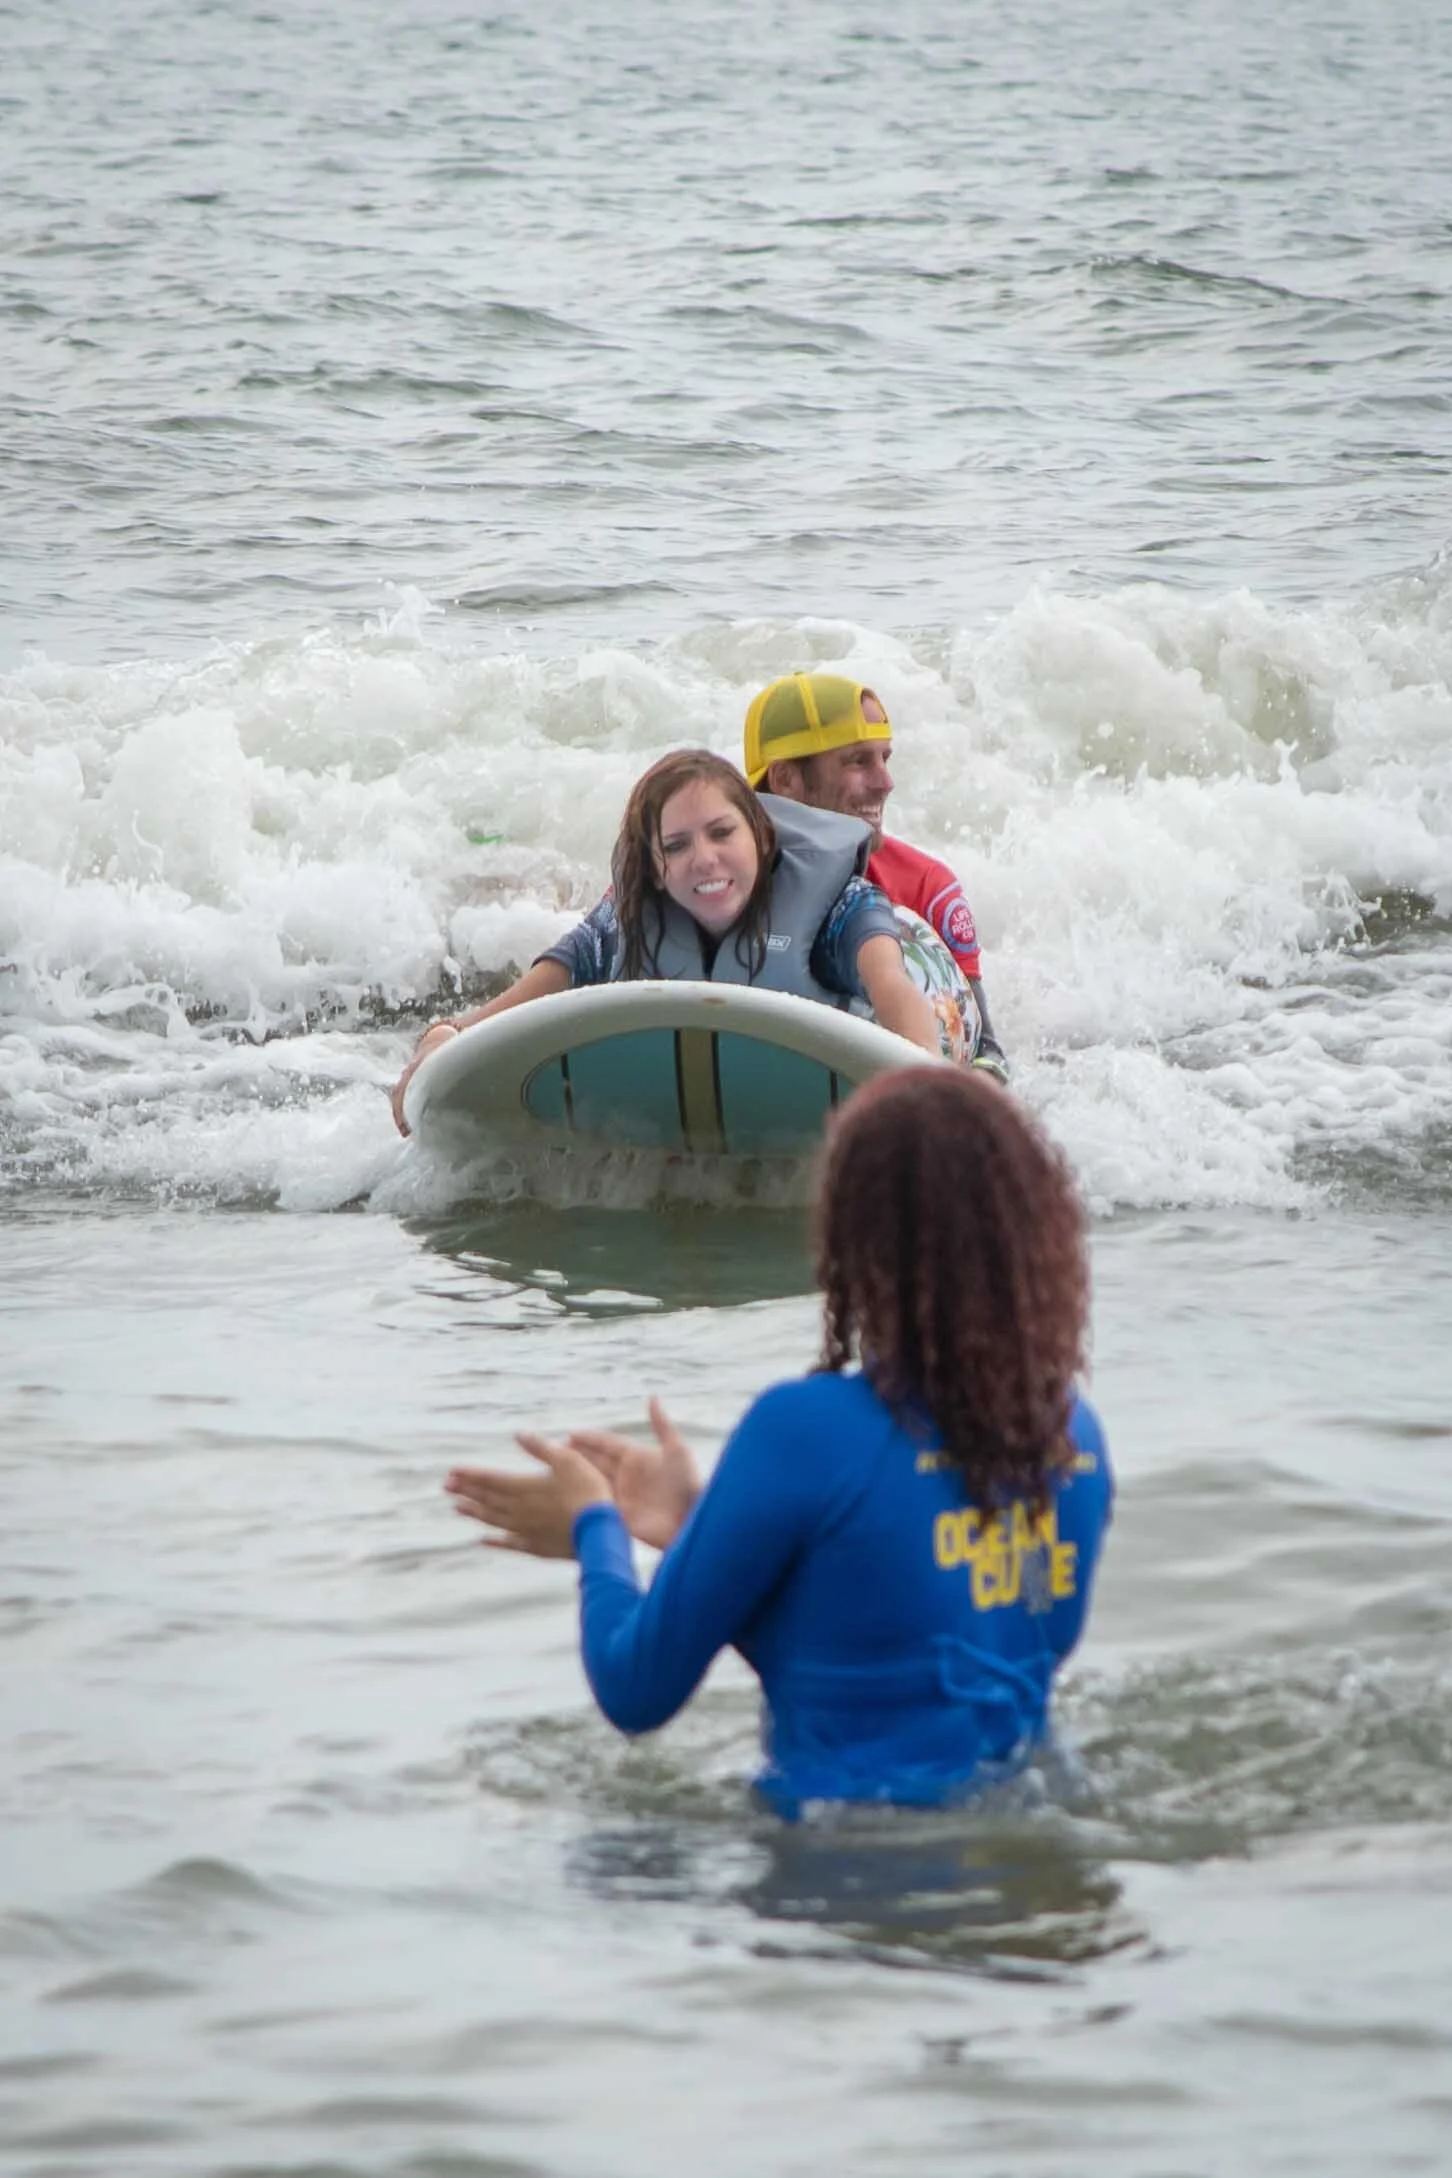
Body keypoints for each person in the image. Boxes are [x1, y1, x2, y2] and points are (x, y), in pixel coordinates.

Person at [446, 1066, 1113, 1820]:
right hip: (1027, 1829)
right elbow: (906, 1652)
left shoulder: (803, 1433)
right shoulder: (1072, 1438)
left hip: (837, 1870)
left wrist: (595, 1526)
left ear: (855, 1238)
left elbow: (634, 1690)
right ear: (1029, 1231)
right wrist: (699, 1528)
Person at [391, 748, 942, 1132]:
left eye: (722, 833)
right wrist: (443, 1037)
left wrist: (928, 1086)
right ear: (655, 869)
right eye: (676, 846)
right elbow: (529, 995)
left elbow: (891, 985)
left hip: (918, 971)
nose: (704, 859)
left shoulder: (840, 905)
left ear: (761, 835)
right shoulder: (625, 921)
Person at [743, 672, 1009, 1081]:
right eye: (858, 761)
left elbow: (987, 1051)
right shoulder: (704, 882)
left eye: (885, 758)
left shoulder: (924, 886)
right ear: (785, 779)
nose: (886, 783)